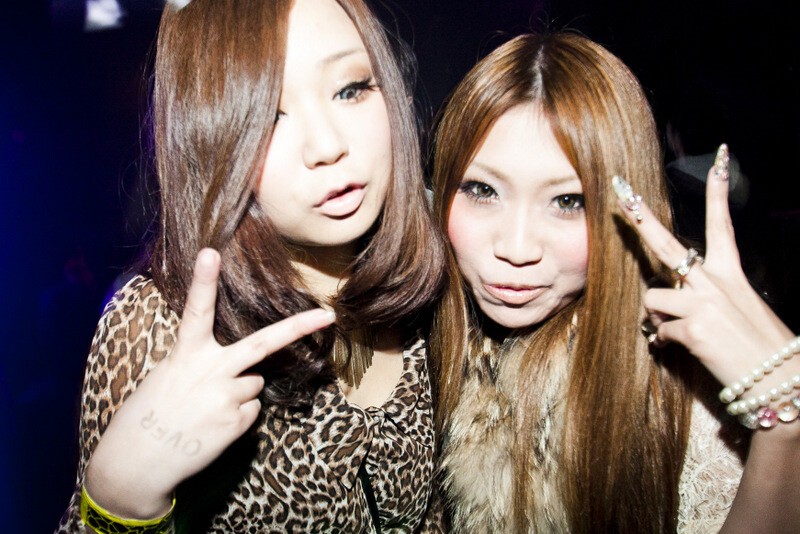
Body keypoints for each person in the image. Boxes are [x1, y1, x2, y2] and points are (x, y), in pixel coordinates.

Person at [56, 0, 445, 531]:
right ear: (210, 141)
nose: (327, 146)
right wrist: (120, 499)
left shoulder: (435, 275)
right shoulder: (157, 326)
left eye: (350, 89)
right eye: (269, 116)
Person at [430, 32, 800, 532]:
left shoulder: (678, 386)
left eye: (568, 202)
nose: (516, 249)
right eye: (482, 189)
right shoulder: (414, 331)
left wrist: (784, 425)